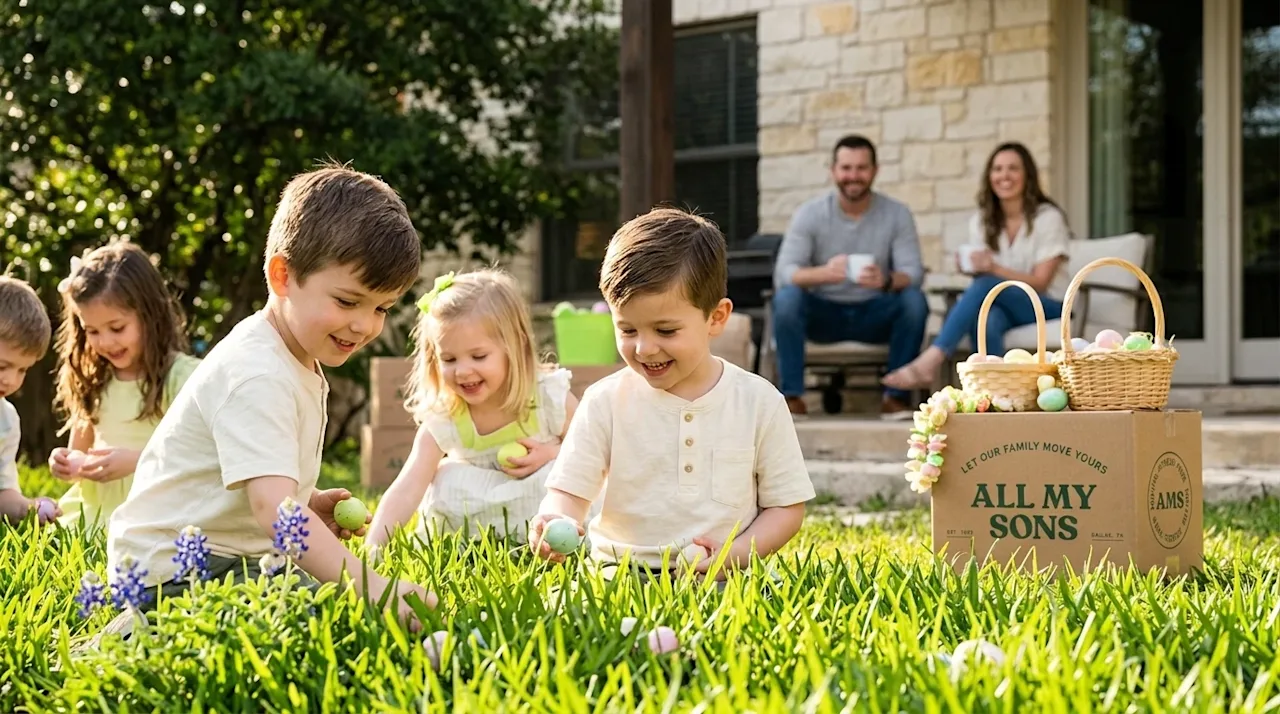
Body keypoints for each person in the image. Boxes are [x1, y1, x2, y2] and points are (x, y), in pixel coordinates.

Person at [106, 165, 435, 627]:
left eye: (380, 308)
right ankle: (138, 628)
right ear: (282, 274)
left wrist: (306, 499)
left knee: (316, 602)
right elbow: (277, 515)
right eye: (346, 301)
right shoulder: (257, 372)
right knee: (317, 615)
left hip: (229, 556)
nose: (364, 325)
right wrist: (372, 587)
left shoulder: (293, 355)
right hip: (172, 570)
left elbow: (262, 487)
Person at [527, 206, 815, 581]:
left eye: (665, 331)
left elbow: (785, 508)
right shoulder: (604, 402)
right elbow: (570, 491)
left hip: (724, 574)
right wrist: (556, 518)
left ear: (716, 318)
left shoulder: (759, 402)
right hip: (621, 570)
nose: (644, 348)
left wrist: (735, 555)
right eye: (627, 330)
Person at [366, 268, 581, 551]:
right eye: (449, 359)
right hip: (481, 512)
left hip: (540, 504)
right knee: (445, 477)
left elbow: (594, 453)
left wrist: (552, 454)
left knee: (559, 474)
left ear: (514, 346)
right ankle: (474, 541)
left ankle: (551, 541)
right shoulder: (446, 416)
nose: (463, 371)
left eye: (478, 356)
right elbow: (408, 487)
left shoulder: (546, 397)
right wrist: (374, 547)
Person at [882, 142, 1070, 390]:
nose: (1004, 176)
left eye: (1013, 168)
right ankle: (998, 396)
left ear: (1028, 175)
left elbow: (1041, 282)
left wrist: (991, 268)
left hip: (1047, 306)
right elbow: (986, 280)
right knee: (987, 318)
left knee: (986, 284)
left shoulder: (1048, 218)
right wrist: (971, 267)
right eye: (997, 169)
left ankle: (933, 358)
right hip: (1004, 305)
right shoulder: (982, 222)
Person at [772, 134, 929, 420]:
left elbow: (914, 273)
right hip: (823, 315)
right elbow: (784, 272)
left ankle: (895, 399)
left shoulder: (896, 214)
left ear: (875, 171)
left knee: (914, 301)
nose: (853, 176)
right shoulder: (810, 214)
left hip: (874, 313)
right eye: (846, 168)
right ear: (833, 171)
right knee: (786, 299)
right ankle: (792, 397)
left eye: (861, 168)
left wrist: (886, 281)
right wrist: (824, 274)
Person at [46, 242, 201, 529]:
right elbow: (80, 451)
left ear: (150, 314)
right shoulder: (94, 380)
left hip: (158, 510)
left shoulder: (180, 376)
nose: (105, 342)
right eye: (92, 331)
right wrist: (68, 463)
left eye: (117, 328)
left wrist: (136, 461)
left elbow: (200, 456)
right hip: (95, 510)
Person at [0, 275, 60, 526]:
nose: (11, 380)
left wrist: (29, 508)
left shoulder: (7, 420)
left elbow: (3, 493)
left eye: (23, 370)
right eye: (3, 366)